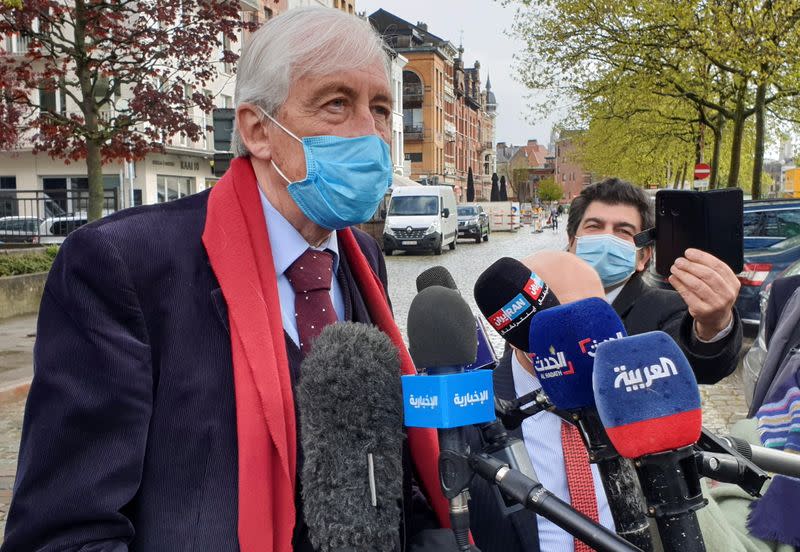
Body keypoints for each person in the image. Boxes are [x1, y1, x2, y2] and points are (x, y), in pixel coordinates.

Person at [1, 8, 457, 552]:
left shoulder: (363, 257)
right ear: (257, 129)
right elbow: (65, 532)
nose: (371, 132)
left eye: (380, 108)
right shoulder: (121, 265)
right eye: (338, 103)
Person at [469, 250, 614, 551]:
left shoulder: (636, 391)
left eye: (595, 316)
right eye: (565, 319)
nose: (586, 338)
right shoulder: (470, 414)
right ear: (513, 328)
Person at [566, 178, 742, 384]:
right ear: (571, 242)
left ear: (643, 257)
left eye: (623, 231)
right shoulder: (539, 304)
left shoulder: (668, 310)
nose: (607, 239)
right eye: (594, 226)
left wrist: (714, 323)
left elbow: (700, 364)